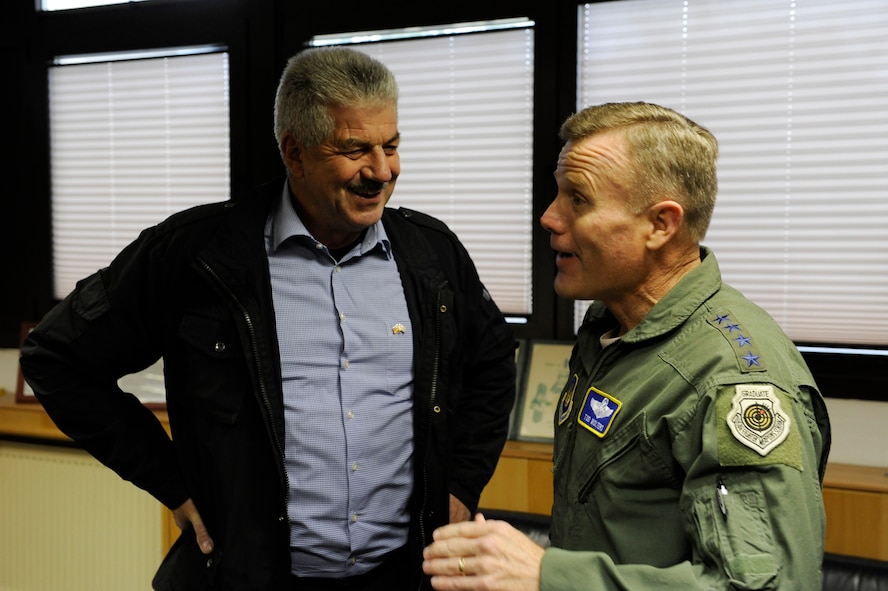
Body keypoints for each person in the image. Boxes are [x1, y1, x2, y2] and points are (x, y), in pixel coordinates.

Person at [19, 46, 517, 591]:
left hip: (401, 576)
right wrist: (172, 484)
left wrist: (463, 485)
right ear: (295, 153)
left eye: (391, 145)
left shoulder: (432, 255)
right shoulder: (197, 255)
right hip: (248, 576)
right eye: (355, 149)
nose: (381, 170)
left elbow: (493, 360)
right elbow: (57, 357)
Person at [422, 101, 831, 590]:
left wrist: (546, 576)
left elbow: (769, 586)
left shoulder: (733, 379)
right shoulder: (610, 330)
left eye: (579, 200)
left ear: (661, 224)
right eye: (558, 194)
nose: (549, 218)